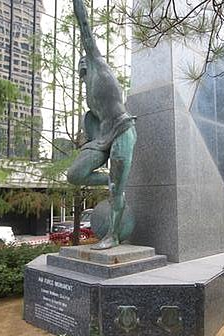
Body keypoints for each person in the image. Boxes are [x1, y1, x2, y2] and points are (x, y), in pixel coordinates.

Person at [67, 0, 137, 250]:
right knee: (74, 175)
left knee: (117, 190)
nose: (83, 62)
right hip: (102, 136)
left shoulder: (97, 62)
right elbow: (93, 117)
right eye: (80, 64)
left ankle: (113, 235)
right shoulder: (88, 91)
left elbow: (84, 25)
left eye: (84, 60)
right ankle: (112, 180)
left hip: (123, 130)